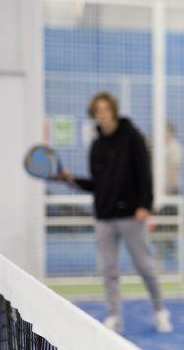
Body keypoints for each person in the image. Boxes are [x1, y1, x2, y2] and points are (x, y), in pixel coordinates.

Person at [60, 91, 172, 334]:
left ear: (113, 110)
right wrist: (72, 180)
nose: (102, 114)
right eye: (97, 111)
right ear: (94, 115)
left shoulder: (132, 137)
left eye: (105, 109)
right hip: (104, 217)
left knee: (145, 266)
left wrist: (145, 205)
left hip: (132, 215)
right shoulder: (97, 146)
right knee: (110, 271)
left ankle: (160, 311)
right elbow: (97, 184)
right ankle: (115, 316)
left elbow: (144, 172)